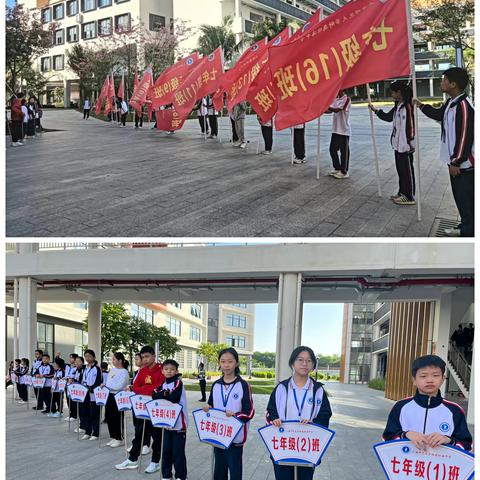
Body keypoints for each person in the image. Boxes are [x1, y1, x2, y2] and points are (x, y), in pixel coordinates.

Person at [415, 68, 474, 237]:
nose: (441, 83)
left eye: (444, 80)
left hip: (464, 163)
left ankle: (468, 232)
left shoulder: (463, 106)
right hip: (455, 161)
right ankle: (467, 225)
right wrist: (420, 105)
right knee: (462, 198)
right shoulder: (451, 102)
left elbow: (465, 136)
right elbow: (438, 114)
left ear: (453, 84)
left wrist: (456, 161)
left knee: (465, 198)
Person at [266, 346, 332, 480]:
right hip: (284, 445)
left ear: (313, 365)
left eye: (309, 360)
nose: (304, 363)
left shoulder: (318, 390)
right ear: (292, 363)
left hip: (307, 447)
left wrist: (313, 423)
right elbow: (270, 411)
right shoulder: (281, 388)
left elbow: (325, 415)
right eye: (300, 359)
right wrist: (274, 419)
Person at [382, 355, 472, 451]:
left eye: (435, 375)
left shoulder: (455, 410)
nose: (429, 380)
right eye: (423, 376)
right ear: (414, 380)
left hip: (439, 465)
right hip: (407, 464)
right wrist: (405, 434)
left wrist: (448, 440)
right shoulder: (400, 407)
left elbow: (467, 446)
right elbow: (386, 439)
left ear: (442, 379)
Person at [203, 347, 255, 480]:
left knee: (235, 471)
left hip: (235, 437)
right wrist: (208, 408)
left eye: (230, 361)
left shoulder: (243, 385)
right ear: (219, 363)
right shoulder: (216, 385)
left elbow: (249, 411)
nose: (226, 365)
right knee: (219, 470)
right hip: (219, 435)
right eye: (223, 361)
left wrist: (235, 417)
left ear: (236, 363)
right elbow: (211, 405)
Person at [115, 346, 165, 472]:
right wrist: (139, 389)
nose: (145, 360)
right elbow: (137, 386)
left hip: (156, 408)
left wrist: (138, 389)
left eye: (147, 356)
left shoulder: (162, 370)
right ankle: (132, 459)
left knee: (157, 436)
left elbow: (156, 389)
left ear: (154, 356)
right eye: (143, 357)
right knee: (139, 434)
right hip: (142, 408)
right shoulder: (143, 371)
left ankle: (155, 462)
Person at [369, 81, 416, 205]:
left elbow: (411, 126)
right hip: (397, 144)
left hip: (405, 145)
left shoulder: (407, 106)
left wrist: (408, 142)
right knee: (401, 170)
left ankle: (409, 196)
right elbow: (389, 117)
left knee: (407, 171)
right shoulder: (398, 105)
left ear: (399, 92)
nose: (391, 94)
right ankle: (402, 192)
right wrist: (375, 110)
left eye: (393, 92)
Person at [152, 359, 188, 478]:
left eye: (172, 369)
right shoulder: (162, 384)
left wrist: (163, 394)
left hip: (178, 424)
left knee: (178, 453)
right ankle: (166, 475)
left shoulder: (178, 382)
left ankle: (181, 476)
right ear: (162, 371)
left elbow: (174, 398)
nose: (169, 371)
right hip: (166, 423)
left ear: (176, 371)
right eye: (166, 369)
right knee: (166, 451)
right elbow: (154, 395)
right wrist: (165, 394)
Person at [126, 352, 152, 454]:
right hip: (136, 401)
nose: (136, 361)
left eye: (137, 359)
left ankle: (146, 444)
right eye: (135, 359)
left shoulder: (147, 372)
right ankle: (137, 443)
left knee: (145, 423)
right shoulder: (137, 372)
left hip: (145, 401)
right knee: (137, 424)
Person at [104, 352, 130, 448]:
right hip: (109, 395)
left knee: (117, 417)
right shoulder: (112, 370)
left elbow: (119, 386)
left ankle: (119, 438)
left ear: (120, 360)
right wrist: (109, 386)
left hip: (118, 396)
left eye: (114, 359)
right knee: (109, 416)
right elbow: (108, 382)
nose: (112, 361)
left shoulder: (124, 372)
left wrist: (109, 386)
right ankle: (113, 436)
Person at [326, 90, 351, 179]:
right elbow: (330, 110)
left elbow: (338, 110)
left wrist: (327, 107)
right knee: (332, 149)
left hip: (343, 130)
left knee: (344, 152)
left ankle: (344, 171)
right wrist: (321, 110)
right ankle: (337, 168)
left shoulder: (347, 99)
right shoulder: (336, 99)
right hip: (336, 129)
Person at [80, 349, 102, 440]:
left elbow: (98, 381)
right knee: (86, 412)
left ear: (94, 357)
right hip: (85, 393)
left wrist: (91, 388)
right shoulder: (85, 368)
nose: (87, 358)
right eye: (86, 356)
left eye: (89, 356)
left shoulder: (97, 368)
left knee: (94, 414)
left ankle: (95, 433)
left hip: (93, 394)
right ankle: (87, 431)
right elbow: (83, 379)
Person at [71, 356, 86, 435]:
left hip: (83, 392)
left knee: (83, 410)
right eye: (76, 362)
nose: (76, 363)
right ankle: (82, 425)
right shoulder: (76, 370)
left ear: (82, 362)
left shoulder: (85, 370)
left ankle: (83, 426)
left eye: (78, 361)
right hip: (78, 392)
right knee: (80, 409)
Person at [64, 353, 78, 422]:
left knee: (73, 401)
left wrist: (71, 379)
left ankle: (74, 415)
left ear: (75, 359)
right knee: (68, 400)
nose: (70, 359)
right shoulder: (67, 366)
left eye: (71, 358)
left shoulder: (77, 367)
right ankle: (71, 414)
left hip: (73, 386)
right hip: (67, 385)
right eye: (69, 357)